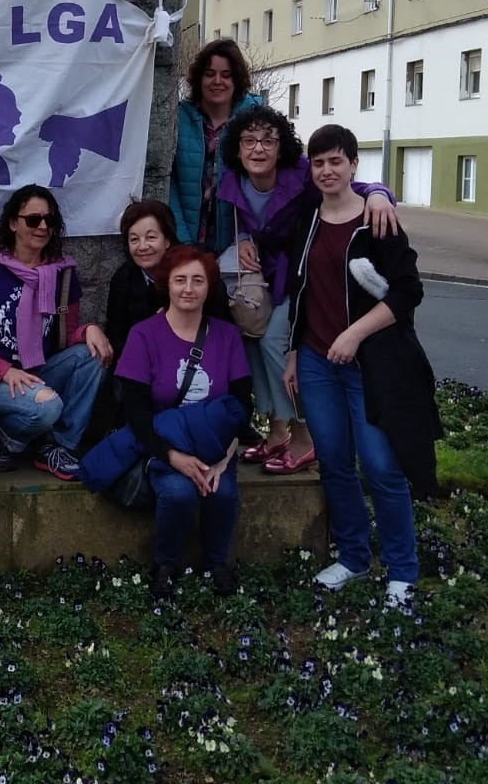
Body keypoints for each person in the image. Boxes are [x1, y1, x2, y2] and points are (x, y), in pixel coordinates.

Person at [284, 125, 442, 610]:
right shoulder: (306, 219)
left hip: (368, 365)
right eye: (319, 163)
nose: (327, 170)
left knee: (380, 467)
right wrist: (293, 352)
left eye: (336, 161)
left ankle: (403, 571)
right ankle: (353, 557)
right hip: (315, 361)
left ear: (354, 164)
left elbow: (408, 291)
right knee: (334, 462)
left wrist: (354, 334)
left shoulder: (379, 221)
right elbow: (300, 291)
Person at [218, 105, 398, 474]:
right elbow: (240, 224)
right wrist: (243, 238)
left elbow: (354, 186)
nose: (258, 149)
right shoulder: (233, 181)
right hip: (262, 276)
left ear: (281, 146)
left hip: (301, 275)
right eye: (248, 140)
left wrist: (380, 193)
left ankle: (303, 438)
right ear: (237, 149)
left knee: (273, 344)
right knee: (250, 337)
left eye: (268, 140)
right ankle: (276, 432)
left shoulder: (301, 174)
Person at [114, 246, 251, 599]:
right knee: (178, 492)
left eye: (197, 280)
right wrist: (171, 456)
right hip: (165, 442)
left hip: (215, 447)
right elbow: (136, 410)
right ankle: (166, 564)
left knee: (223, 492)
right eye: (180, 280)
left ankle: (217, 561)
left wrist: (224, 459)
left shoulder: (227, 336)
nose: (188, 289)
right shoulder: (144, 335)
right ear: (167, 286)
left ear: (209, 287)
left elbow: (241, 404)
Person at [0, 183, 112, 480]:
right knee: (48, 407)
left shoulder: (62, 274)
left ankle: (57, 446)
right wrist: (1, 369)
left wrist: (90, 331)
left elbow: (68, 333)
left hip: (38, 374)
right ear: (13, 223)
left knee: (94, 355)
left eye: (49, 220)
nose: (42, 227)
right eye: (33, 219)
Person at [105, 197, 229, 362]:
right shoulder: (123, 279)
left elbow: (222, 326)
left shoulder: (195, 270)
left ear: (168, 240)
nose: (142, 246)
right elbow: (117, 336)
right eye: (134, 239)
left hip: (199, 362)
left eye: (151, 237)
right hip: (144, 365)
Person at [169, 39, 261, 254]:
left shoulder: (255, 119)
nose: (217, 81)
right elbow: (170, 181)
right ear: (199, 78)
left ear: (236, 79)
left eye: (226, 75)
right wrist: (181, 238)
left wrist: (244, 236)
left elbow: (264, 182)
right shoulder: (178, 117)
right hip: (184, 240)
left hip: (236, 245)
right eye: (210, 74)